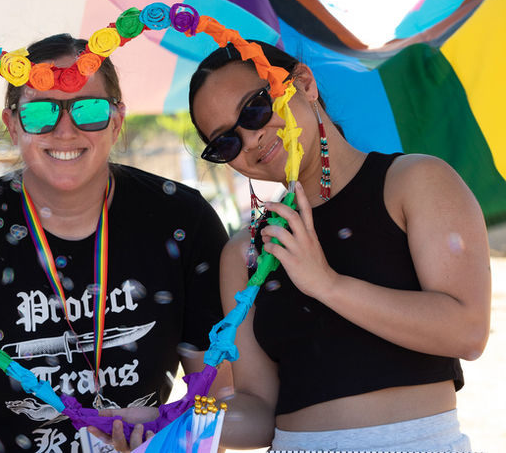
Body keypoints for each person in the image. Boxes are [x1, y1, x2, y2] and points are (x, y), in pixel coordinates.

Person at [0, 33, 229, 453]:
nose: (66, 130)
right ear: (12, 124)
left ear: (118, 120)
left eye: (89, 110)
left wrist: (163, 431)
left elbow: (220, 401)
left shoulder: (182, 219)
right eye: (41, 113)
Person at [185, 41, 491, 451]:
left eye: (256, 108)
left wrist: (326, 283)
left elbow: (467, 332)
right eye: (226, 142)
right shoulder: (243, 254)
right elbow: (259, 411)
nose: (252, 137)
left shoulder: (415, 182)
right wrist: (172, 423)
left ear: (305, 85)